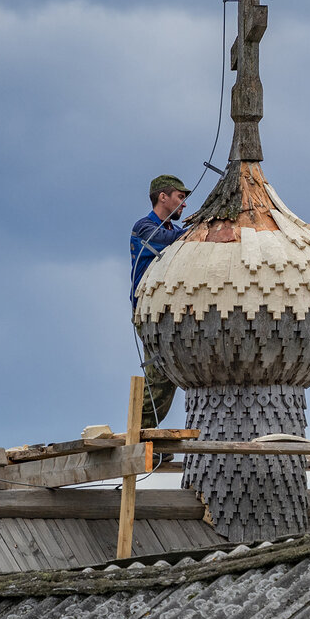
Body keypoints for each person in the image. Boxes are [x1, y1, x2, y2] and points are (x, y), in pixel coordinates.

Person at [129, 174, 190, 430]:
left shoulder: (172, 230)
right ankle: (141, 435)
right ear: (163, 197)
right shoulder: (144, 228)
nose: (184, 204)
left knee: (168, 376)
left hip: (165, 313)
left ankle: (146, 436)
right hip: (149, 314)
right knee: (159, 378)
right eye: (180, 197)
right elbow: (171, 240)